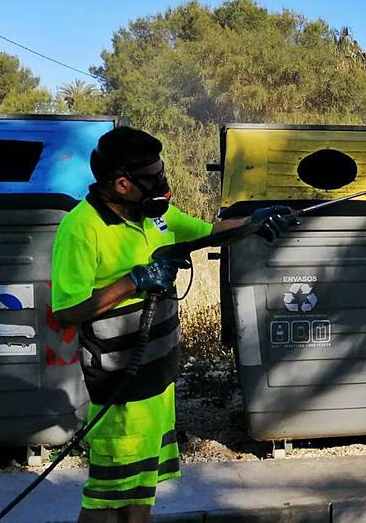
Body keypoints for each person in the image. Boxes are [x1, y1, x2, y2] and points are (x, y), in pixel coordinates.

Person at [50, 126, 296, 523]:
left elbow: (210, 233)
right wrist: (136, 280)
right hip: (119, 392)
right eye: (155, 178)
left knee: (141, 489)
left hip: (157, 384)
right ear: (123, 183)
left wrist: (254, 223)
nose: (164, 185)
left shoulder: (156, 218)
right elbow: (66, 313)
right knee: (107, 497)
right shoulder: (81, 229)